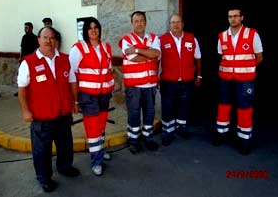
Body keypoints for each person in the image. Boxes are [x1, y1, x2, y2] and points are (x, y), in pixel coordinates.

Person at [17, 27, 80, 193]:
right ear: (38, 40)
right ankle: (44, 178)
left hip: (63, 114)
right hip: (41, 117)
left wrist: (75, 101)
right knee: (42, 151)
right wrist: (25, 111)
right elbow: (22, 90)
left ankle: (65, 167)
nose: (48, 41)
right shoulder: (28, 62)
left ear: (56, 41)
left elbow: (72, 81)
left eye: (52, 38)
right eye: (45, 37)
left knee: (65, 145)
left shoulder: (65, 59)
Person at [212, 5, 263, 155]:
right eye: (230, 16)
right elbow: (222, 56)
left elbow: (259, 57)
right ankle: (221, 135)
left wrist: (246, 68)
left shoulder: (252, 34)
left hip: (245, 79)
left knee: (244, 109)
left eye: (235, 16)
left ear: (242, 17)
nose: (232, 19)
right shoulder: (222, 36)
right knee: (223, 107)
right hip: (225, 78)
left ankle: (244, 141)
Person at [69, 17, 114, 176]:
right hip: (88, 96)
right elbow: (72, 76)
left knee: (101, 126)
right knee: (93, 128)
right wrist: (74, 100)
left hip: (104, 94)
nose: (93, 30)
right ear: (85, 31)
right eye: (90, 28)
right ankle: (96, 161)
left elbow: (108, 69)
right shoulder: (78, 49)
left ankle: (100, 151)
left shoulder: (106, 47)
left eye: (96, 27)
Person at [118, 11, 160, 154]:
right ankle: (133, 141)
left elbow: (156, 54)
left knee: (149, 113)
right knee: (134, 114)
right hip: (134, 86)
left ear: (146, 22)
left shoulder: (154, 38)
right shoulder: (126, 39)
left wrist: (136, 49)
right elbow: (135, 59)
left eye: (141, 20)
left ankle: (148, 138)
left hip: (150, 85)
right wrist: (148, 54)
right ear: (132, 23)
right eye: (136, 21)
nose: (139, 23)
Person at [159, 13, 202, 146]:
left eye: (178, 22)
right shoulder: (162, 40)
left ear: (182, 24)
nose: (176, 24)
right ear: (169, 25)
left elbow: (198, 58)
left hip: (186, 80)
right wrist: (156, 77)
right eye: (173, 22)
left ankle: (181, 128)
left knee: (184, 105)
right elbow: (157, 60)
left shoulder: (192, 38)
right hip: (168, 80)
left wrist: (199, 75)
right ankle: (167, 131)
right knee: (168, 106)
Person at [14, 22, 39, 97]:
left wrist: (33, 58)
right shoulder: (24, 37)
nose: (25, 29)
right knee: (21, 75)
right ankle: (20, 90)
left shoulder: (35, 37)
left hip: (31, 59)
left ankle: (31, 91)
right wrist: (20, 56)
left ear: (31, 28)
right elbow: (22, 47)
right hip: (23, 59)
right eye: (25, 28)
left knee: (31, 75)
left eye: (27, 27)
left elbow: (36, 49)